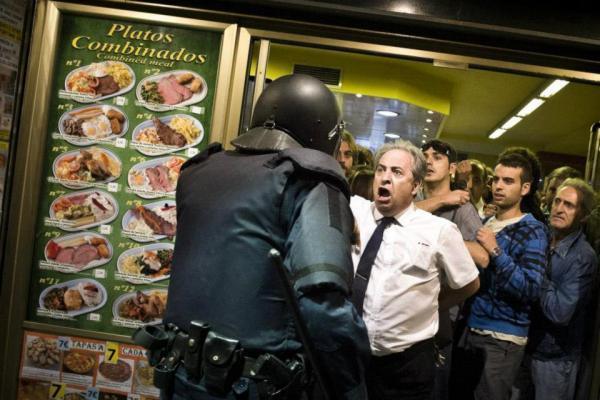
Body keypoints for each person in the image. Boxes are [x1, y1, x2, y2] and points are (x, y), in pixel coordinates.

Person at [143, 74, 370, 399]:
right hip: (257, 386)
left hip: (181, 375)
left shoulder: (198, 172)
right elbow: (324, 307)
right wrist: (352, 386)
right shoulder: (311, 182)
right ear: (325, 133)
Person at [350, 139, 480, 400]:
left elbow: (470, 283)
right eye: (381, 170)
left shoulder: (439, 231)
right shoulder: (355, 210)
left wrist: (433, 304)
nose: (385, 178)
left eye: (397, 173)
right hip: (352, 356)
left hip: (406, 365)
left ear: (416, 185)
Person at [450, 152, 549, 400]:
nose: (499, 186)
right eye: (496, 180)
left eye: (508, 181)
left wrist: (496, 251)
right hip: (470, 328)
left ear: (525, 188)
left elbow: (530, 289)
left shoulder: (533, 230)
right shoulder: (486, 221)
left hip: (502, 339)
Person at [420, 140, 489, 400]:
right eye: (425, 155)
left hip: (441, 315)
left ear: (451, 169)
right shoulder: (414, 199)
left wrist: (443, 238)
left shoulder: (462, 208)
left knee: (434, 389)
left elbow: (482, 257)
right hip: (406, 311)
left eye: (436, 157)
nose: (428, 161)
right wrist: (438, 201)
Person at [527, 178, 597, 400]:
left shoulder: (583, 257)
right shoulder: (543, 238)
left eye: (569, 205)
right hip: (528, 347)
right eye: (557, 201)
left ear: (583, 214)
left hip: (555, 359)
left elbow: (560, 312)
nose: (559, 208)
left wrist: (535, 272)